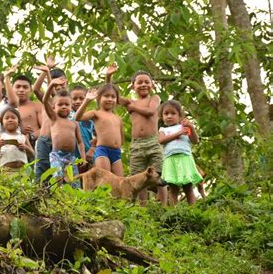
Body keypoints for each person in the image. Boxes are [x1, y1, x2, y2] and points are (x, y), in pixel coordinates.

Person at [115, 69, 167, 206]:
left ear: (152, 84)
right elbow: (113, 96)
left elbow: (150, 112)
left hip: (153, 141)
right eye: (139, 82)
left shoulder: (154, 98)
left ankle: (164, 207)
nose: (143, 84)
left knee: (159, 175)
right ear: (133, 86)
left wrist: (133, 108)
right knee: (139, 177)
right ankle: (143, 208)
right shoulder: (130, 101)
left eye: (147, 82)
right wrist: (109, 76)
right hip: (137, 144)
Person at [158, 100, 203, 205]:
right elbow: (161, 140)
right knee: (173, 189)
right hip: (170, 160)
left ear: (179, 116)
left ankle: (193, 211)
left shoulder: (185, 128)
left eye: (173, 113)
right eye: (166, 113)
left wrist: (191, 127)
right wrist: (178, 133)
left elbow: (195, 141)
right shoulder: (163, 130)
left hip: (185, 159)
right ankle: (174, 213)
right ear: (162, 116)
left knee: (188, 188)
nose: (169, 116)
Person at [75, 82, 124, 176]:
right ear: (99, 98)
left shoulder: (118, 118)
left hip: (116, 153)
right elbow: (78, 117)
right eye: (106, 96)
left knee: (119, 182)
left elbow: (121, 139)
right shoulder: (96, 113)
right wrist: (87, 100)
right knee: (105, 179)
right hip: (103, 151)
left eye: (113, 97)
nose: (110, 99)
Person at [43, 79, 85, 186]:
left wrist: (83, 158)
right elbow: (45, 99)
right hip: (57, 155)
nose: (64, 106)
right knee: (58, 178)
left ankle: (72, 201)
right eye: (60, 104)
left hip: (71, 157)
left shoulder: (74, 123)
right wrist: (51, 84)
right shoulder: (54, 118)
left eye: (67, 104)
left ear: (71, 107)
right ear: (53, 107)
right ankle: (58, 198)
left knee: (73, 181)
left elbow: (80, 142)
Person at [33, 57, 68, 181]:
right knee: (42, 172)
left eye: (61, 82)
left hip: (60, 144)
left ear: (66, 82)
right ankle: (38, 197)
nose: (58, 86)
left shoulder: (68, 103)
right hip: (44, 140)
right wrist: (46, 70)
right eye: (54, 83)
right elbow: (36, 89)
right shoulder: (47, 100)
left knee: (61, 175)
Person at [0, 107, 34, 173]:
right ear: (2, 122)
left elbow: (32, 154)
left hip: (23, 170)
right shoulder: (0, 137)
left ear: (19, 121)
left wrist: (25, 147)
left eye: (13, 117)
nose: (10, 120)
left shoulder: (23, 137)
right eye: (6, 118)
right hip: (6, 170)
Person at [69, 85, 96, 172]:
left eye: (81, 99)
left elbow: (98, 137)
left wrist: (92, 149)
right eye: (75, 99)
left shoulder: (91, 118)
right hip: (72, 157)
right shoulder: (67, 116)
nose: (78, 101)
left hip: (89, 156)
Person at [12, 75, 42, 148]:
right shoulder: (6, 108)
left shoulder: (38, 106)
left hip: (33, 146)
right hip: (11, 148)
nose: (21, 90)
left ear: (30, 90)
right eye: (18, 86)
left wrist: (31, 136)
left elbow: (46, 127)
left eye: (25, 87)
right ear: (12, 89)